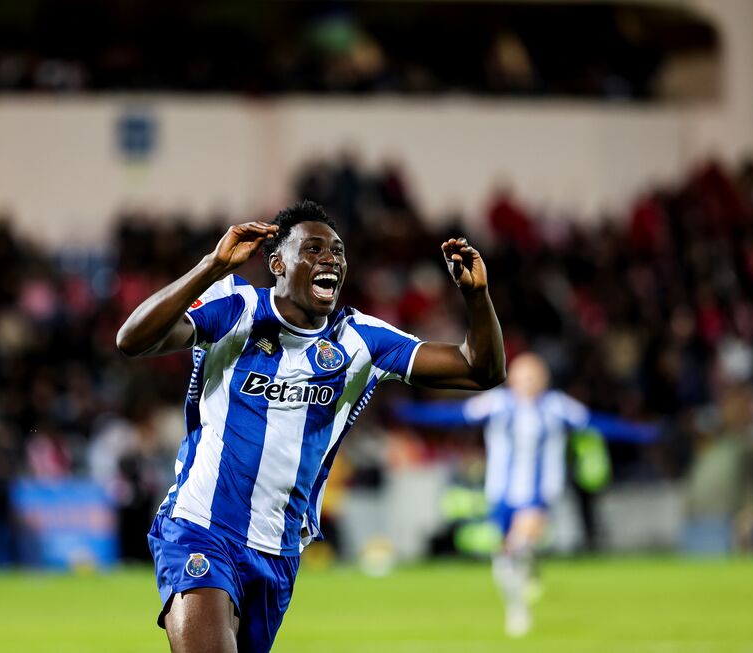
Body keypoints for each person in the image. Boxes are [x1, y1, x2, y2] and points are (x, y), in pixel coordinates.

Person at [116, 200, 505, 653]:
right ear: (277, 263)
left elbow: (481, 370)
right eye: (313, 249)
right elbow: (132, 340)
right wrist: (212, 265)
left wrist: (477, 296)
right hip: (200, 526)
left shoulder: (360, 340)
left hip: (278, 550)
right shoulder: (236, 307)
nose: (330, 259)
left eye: (337, 251)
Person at [455, 352, 587, 637]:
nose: (528, 382)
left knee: (519, 545)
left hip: (539, 493)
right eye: (523, 376)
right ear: (511, 378)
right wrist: (403, 412)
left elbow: (595, 423)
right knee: (503, 561)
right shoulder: (497, 403)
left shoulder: (557, 406)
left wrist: (646, 431)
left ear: (544, 379)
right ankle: (517, 604)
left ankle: (525, 575)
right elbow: (455, 416)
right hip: (501, 493)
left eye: (533, 376)